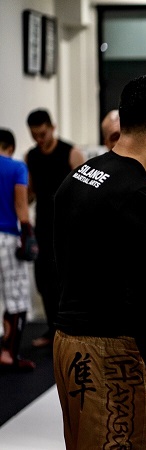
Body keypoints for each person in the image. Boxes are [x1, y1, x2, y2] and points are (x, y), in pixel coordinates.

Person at [52, 74, 146, 450]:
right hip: (109, 352)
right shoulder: (141, 195)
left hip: (67, 344)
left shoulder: (80, 176)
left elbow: (60, 266)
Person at [25, 108, 85, 348]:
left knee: (66, 282)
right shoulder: (31, 157)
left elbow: (84, 194)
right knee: (44, 282)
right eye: (34, 135)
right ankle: (52, 331)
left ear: (53, 127)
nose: (39, 139)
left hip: (67, 227)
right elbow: (29, 194)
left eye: (43, 134)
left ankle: (72, 332)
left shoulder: (71, 153)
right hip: (42, 227)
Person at [0, 129, 38, 372]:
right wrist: (29, 235)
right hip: (7, 239)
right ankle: (9, 354)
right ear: (11, 147)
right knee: (17, 299)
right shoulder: (16, 168)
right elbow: (21, 206)